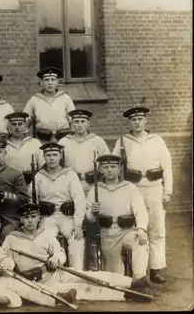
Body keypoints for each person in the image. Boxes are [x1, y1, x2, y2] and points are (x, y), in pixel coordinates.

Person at [2, 202, 151, 304]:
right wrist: (7, 266)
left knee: (90, 276)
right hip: (38, 280)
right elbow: (4, 261)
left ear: (38, 218)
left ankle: (132, 283)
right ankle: (126, 295)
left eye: (33, 217)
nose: (29, 221)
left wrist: (55, 259)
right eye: (26, 217)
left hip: (55, 271)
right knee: (84, 291)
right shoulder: (12, 239)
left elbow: (60, 253)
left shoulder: (45, 234)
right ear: (21, 219)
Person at [0, 206, 76, 309]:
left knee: (21, 285)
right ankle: (5, 300)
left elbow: (3, 258)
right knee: (10, 299)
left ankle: (57, 299)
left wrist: (5, 265)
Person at [112, 107, 172, 284]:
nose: (137, 122)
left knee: (156, 229)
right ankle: (137, 270)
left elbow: (167, 167)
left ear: (145, 121)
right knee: (134, 228)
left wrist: (167, 192)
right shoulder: (122, 141)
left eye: (140, 119)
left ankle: (156, 268)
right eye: (133, 119)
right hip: (133, 188)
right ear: (128, 122)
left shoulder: (156, 140)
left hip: (154, 187)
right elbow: (114, 166)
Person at [86, 154, 151, 287]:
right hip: (107, 235)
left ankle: (140, 279)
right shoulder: (95, 190)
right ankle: (127, 285)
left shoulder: (130, 188)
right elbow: (89, 218)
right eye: (106, 167)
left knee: (141, 241)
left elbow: (140, 209)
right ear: (100, 169)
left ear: (120, 168)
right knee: (116, 279)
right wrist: (92, 211)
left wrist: (141, 229)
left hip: (126, 232)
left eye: (113, 166)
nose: (109, 170)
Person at [27, 142, 86, 270]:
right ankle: (52, 271)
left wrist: (78, 223)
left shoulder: (69, 174)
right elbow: (32, 201)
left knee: (76, 238)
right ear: (44, 157)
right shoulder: (38, 177)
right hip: (48, 218)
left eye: (55, 154)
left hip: (67, 217)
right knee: (44, 238)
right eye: (48, 155)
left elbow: (80, 199)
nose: (52, 158)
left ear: (60, 157)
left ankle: (77, 271)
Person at [58, 109, 110, 195]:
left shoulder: (97, 141)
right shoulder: (63, 142)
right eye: (76, 122)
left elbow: (106, 163)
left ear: (88, 123)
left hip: (93, 185)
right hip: (71, 184)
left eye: (82, 121)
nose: (79, 125)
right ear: (71, 124)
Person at [23, 67, 75, 144]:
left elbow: (73, 119)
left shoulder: (65, 97)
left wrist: (73, 138)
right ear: (41, 82)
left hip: (63, 139)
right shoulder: (34, 99)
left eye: (53, 79)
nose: (50, 83)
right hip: (42, 140)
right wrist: (27, 138)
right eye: (46, 80)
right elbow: (25, 120)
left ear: (57, 82)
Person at [4, 112, 44, 185]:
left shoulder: (35, 143)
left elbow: (43, 166)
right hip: (10, 184)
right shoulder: (4, 145)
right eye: (13, 124)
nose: (17, 127)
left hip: (31, 183)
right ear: (9, 127)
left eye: (20, 124)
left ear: (25, 126)